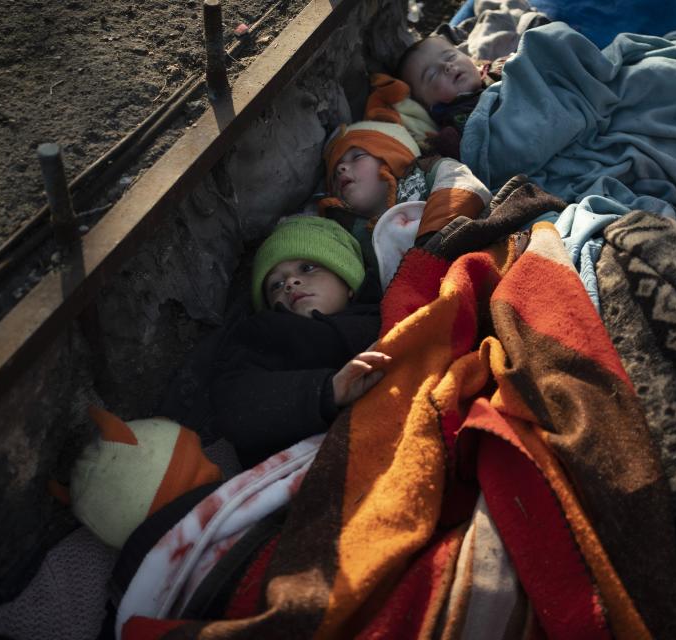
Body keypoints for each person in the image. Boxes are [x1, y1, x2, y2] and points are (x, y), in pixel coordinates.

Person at [209, 215, 389, 468]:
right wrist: (325, 391)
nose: (291, 283)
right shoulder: (264, 334)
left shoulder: (384, 315)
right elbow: (235, 402)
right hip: (301, 469)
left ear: (347, 280)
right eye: (276, 285)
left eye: (307, 268)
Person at [318, 73, 492, 257]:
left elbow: (462, 186)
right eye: (334, 172)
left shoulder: (425, 172)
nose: (340, 168)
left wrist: (434, 238)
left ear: (393, 156)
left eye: (358, 155)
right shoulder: (347, 234)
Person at [396, 35, 509, 158]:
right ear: (427, 105)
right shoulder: (455, 127)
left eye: (451, 56)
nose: (447, 66)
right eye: (432, 74)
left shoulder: (499, 69)